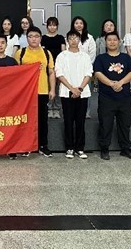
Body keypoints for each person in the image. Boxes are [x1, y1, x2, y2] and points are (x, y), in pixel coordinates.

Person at [93, 31, 131, 160]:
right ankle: (104, 148)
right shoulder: (101, 58)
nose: (112, 42)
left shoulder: (126, 57)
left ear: (119, 42)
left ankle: (125, 148)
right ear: (105, 42)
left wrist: (121, 83)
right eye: (109, 40)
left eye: (114, 40)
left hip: (124, 97)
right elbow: (98, 73)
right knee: (105, 124)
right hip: (106, 97)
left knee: (125, 124)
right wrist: (112, 84)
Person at [14, 26, 56, 158]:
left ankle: (43, 145)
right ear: (26, 38)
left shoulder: (46, 53)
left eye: (36, 36)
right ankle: (25, 146)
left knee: (42, 119)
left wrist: (52, 89)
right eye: (31, 36)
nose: (33, 39)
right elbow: (15, 74)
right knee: (25, 119)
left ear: (41, 38)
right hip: (25, 93)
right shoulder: (21, 53)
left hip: (42, 91)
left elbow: (51, 72)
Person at [55, 30, 93, 159]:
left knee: (80, 121)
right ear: (67, 40)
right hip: (67, 93)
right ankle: (69, 148)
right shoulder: (62, 56)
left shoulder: (85, 56)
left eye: (76, 38)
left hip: (83, 92)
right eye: (70, 38)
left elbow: (88, 73)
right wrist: (72, 89)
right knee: (68, 121)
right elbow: (59, 74)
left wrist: (79, 89)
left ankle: (80, 148)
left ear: (79, 40)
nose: (73, 40)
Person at [69, 16, 96, 118]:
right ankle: (72, 112)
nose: (79, 25)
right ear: (73, 25)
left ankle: (86, 112)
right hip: (71, 69)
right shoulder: (68, 37)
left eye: (81, 23)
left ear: (84, 25)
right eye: (76, 23)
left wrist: (86, 67)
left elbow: (92, 54)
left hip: (85, 70)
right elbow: (66, 53)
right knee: (72, 90)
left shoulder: (90, 38)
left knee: (85, 90)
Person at [41, 17, 66, 119]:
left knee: (58, 88)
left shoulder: (60, 38)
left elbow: (63, 52)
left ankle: (57, 109)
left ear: (57, 26)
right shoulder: (43, 38)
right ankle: (49, 108)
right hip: (47, 66)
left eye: (54, 25)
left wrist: (61, 65)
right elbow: (42, 52)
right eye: (50, 25)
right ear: (47, 26)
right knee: (48, 87)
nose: (52, 27)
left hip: (58, 65)